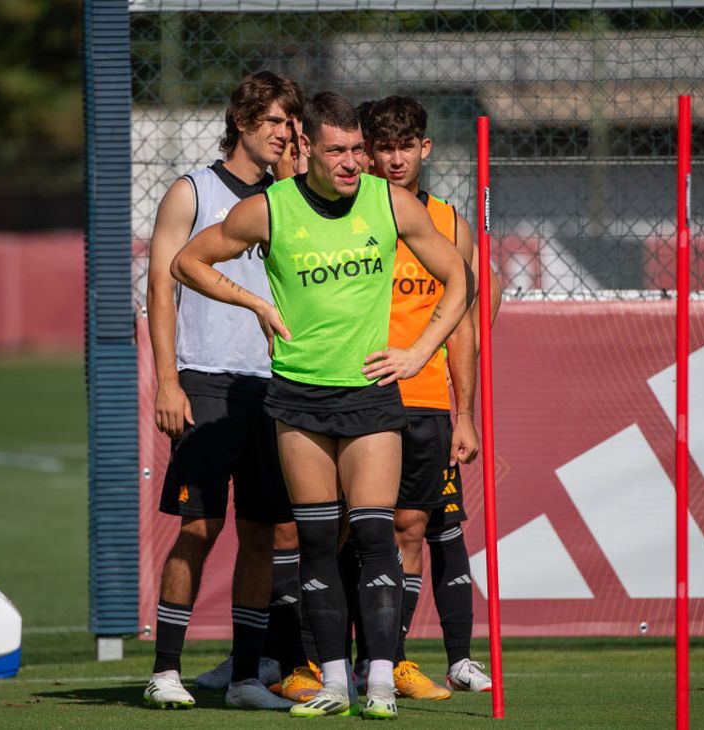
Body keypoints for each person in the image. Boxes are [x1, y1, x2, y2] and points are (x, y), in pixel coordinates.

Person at [171, 91, 474, 720]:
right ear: (306, 146)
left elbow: (460, 277)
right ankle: (334, 682)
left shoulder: (389, 203)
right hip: (298, 399)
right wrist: (254, 302)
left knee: (374, 538)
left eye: (359, 149)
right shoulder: (270, 210)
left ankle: (381, 684)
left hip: (371, 396)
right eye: (338, 150)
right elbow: (188, 261)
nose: (353, 162)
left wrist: (418, 353)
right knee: (314, 543)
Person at [142, 70, 308, 711]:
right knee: (199, 526)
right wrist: (167, 380)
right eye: (273, 122)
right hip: (206, 379)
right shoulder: (194, 191)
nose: (284, 135)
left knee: (267, 534)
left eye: (292, 125)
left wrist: (294, 184)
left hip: (276, 386)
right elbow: (161, 285)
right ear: (242, 122)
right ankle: (164, 670)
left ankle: (244, 678)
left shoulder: (287, 199)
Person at [361, 95, 501, 698]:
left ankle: (392, 662)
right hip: (356, 392)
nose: (394, 159)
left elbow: (469, 316)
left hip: (425, 399)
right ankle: (331, 660)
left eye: (405, 146)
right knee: (347, 531)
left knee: (415, 527)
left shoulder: (449, 222)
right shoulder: (349, 212)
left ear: (425, 149)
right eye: (382, 147)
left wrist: (463, 412)